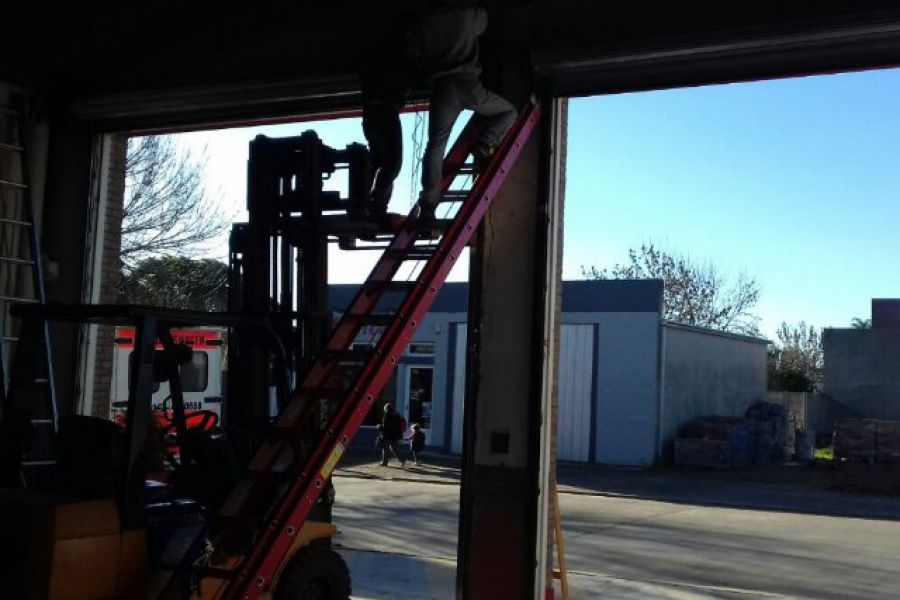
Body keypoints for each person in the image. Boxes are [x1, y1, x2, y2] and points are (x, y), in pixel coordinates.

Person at [409, 7, 518, 221]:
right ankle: (486, 142)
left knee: (436, 145)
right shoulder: (469, 14)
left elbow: (411, 51)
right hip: (467, 84)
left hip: (442, 87)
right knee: (508, 112)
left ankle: (428, 205)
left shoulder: (423, 20)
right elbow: (484, 24)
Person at [359, 24, 413, 221]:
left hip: (370, 114)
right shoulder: (394, 58)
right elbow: (407, 80)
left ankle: (367, 203)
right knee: (391, 163)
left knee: (377, 161)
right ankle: (376, 206)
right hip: (385, 112)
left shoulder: (373, 57)